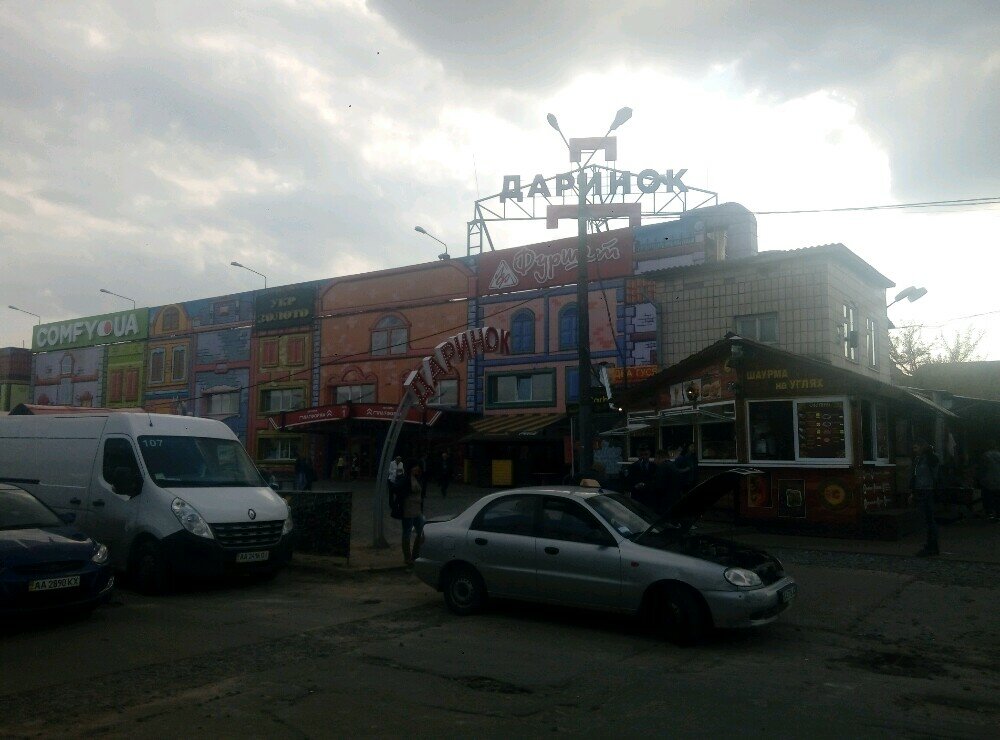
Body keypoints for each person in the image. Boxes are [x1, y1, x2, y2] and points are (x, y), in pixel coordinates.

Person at [911, 439, 940, 556]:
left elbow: (934, 475)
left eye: (916, 448)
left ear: (922, 447)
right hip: (922, 490)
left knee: (929, 519)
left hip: (928, 490)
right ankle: (931, 545)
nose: (914, 450)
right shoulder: (919, 459)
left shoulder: (931, 458)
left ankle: (932, 546)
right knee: (927, 519)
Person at [401, 463, 426, 566]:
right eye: (415, 467)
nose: (417, 469)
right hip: (408, 509)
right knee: (407, 532)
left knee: (422, 530)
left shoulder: (418, 478)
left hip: (417, 510)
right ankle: (408, 557)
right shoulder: (406, 479)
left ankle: (415, 555)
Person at [978, 440, 1000, 522]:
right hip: (999, 480)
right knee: (998, 498)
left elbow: (982, 469)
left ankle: (990, 514)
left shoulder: (985, 455)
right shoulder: (999, 455)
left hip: (988, 480)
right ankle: (998, 514)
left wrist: (980, 479)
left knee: (988, 498)